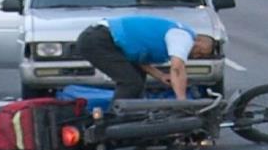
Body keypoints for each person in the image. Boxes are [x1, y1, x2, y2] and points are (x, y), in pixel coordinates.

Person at [76, 15, 215, 101]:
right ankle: (115, 122)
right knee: (130, 82)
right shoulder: (183, 36)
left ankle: (132, 119)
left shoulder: (176, 33)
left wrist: (160, 75)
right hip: (99, 39)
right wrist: (182, 100)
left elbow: (136, 58)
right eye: (200, 52)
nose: (196, 56)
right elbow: (177, 68)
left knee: (138, 78)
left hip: (104, 39)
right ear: (198, 41)